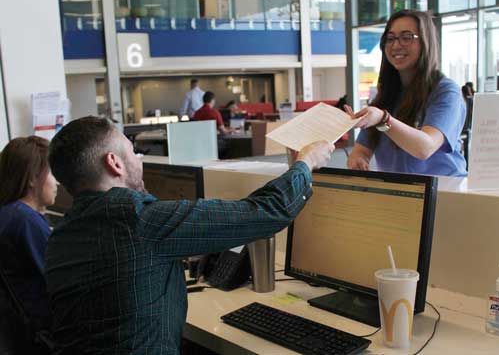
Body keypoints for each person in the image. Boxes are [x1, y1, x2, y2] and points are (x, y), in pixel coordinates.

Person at [45, 116, 334, 355]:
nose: (139, 157)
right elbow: (266, 211)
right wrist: (305, 164)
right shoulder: (137, 219)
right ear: (114, 163)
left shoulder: (61, 236)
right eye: (132, 151)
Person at [346, 10, 467, 177]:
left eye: (407, 37)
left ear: (425, 42)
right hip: (402, 194)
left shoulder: (446, 92)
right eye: (390, 38)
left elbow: (425, 147)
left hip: (445, 193)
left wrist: (383, 119)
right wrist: (359, 159)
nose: (396, 45)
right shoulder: (385, 96)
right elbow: (361, 150)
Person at [0, 136, 58, 352]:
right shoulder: (25, 221)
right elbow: (57, 279)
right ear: (33, 177)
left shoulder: (10, 213)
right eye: (52, 173)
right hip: (39, 335)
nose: (57, 182)